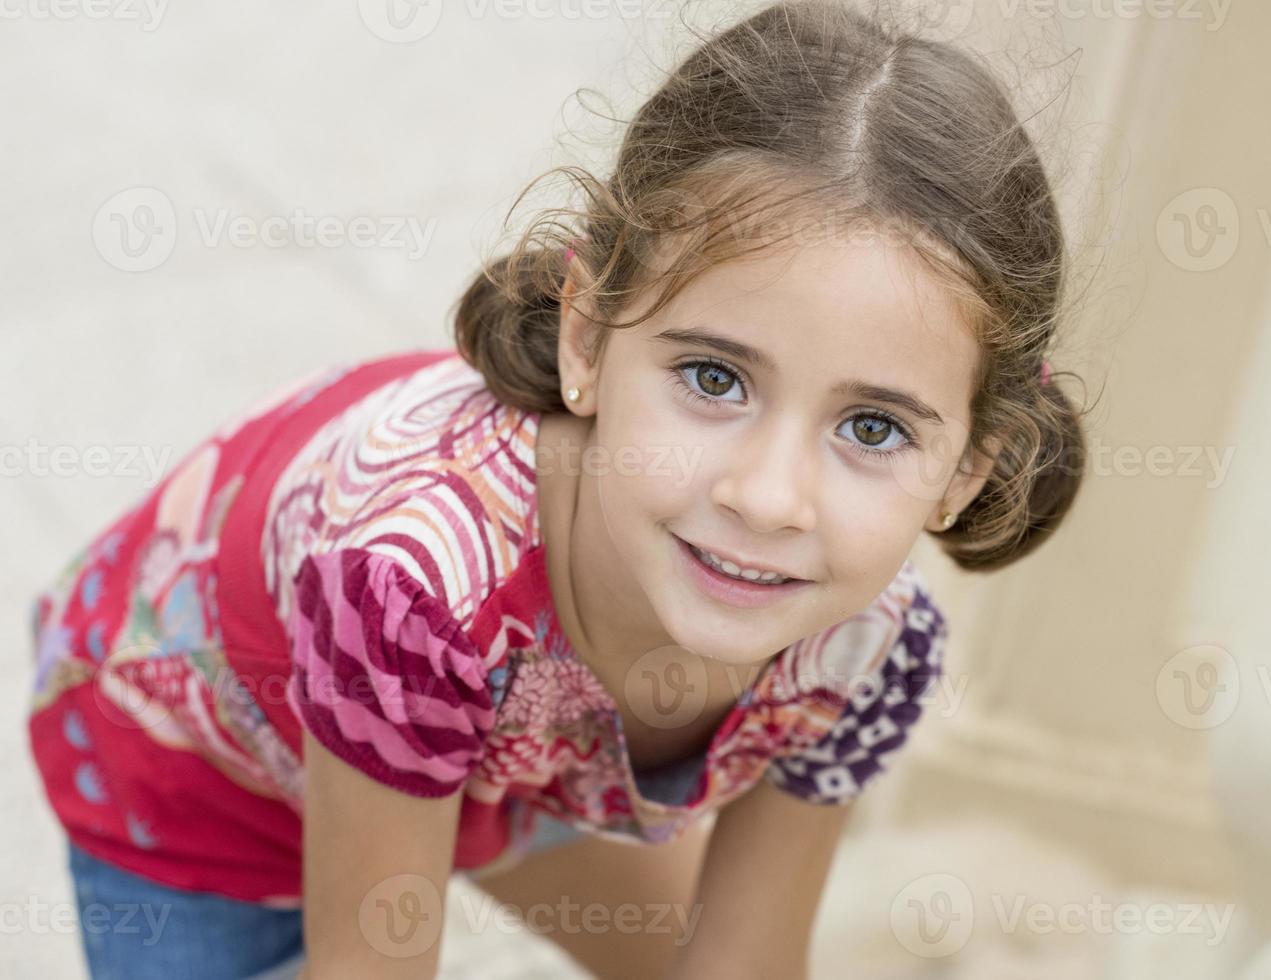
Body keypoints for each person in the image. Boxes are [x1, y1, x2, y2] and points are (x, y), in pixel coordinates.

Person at [26, 1, 1088, 976]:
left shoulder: (866, 647)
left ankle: (451, 784)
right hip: (204, 770)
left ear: (966, 470)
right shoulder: (413, 584)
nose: (768, 497)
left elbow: (745, 958)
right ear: (587, 334)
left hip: (503, 731)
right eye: (712, 378)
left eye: (872, 426)